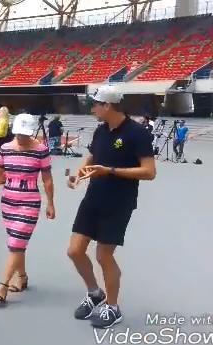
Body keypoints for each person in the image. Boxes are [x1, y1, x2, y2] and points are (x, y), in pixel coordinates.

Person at [67, 85, 156, 329]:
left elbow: (149, 172)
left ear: (107, 105)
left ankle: (113, 307)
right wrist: (80, 173)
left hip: (118, 203)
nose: (92, 108)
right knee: (74, 250)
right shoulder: (101, 130)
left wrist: (111, 171)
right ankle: (95, 293)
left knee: (103, 255)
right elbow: (92, 157)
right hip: (93, 197)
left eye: (94, 104)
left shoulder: (137, 133)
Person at [0, 113, 55, 303]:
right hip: (8, 200)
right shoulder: (5, 148)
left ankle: (3, 285)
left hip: (29, 201)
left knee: (15, 243)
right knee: (18, 244)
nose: (21, 138)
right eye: (19, 134)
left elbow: (47, 178)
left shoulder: (41, 150)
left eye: (25, 134)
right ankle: (22, 278)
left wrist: (51, 203)